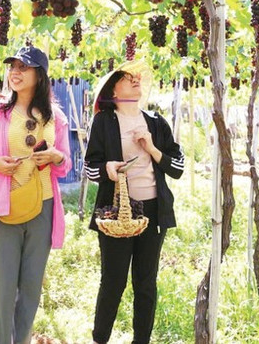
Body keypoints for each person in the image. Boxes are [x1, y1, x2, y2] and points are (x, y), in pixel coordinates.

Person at [0, 46, 72, 344]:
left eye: (23, 67)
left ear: (39, 75)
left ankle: (22, 340)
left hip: (43, 207)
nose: (15, 72)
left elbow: (66, 164)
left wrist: (54, 157)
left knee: (30, 288)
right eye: (12, 66)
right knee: (4, 288)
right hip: (6, 206)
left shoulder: (56, 118)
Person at [84, 59, 184, 344]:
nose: (135, 80)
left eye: (137, 77)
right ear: (114, 89)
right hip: (115, 213)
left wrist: (151, 148)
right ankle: (100, 339)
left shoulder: (155, 122)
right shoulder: (104, 121)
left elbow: (177, 167)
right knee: (113, 282)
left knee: (146, 283)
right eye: (127, 77)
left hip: (152, 211)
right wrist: (108, 168)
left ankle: (141, 341)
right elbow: (90, 168)